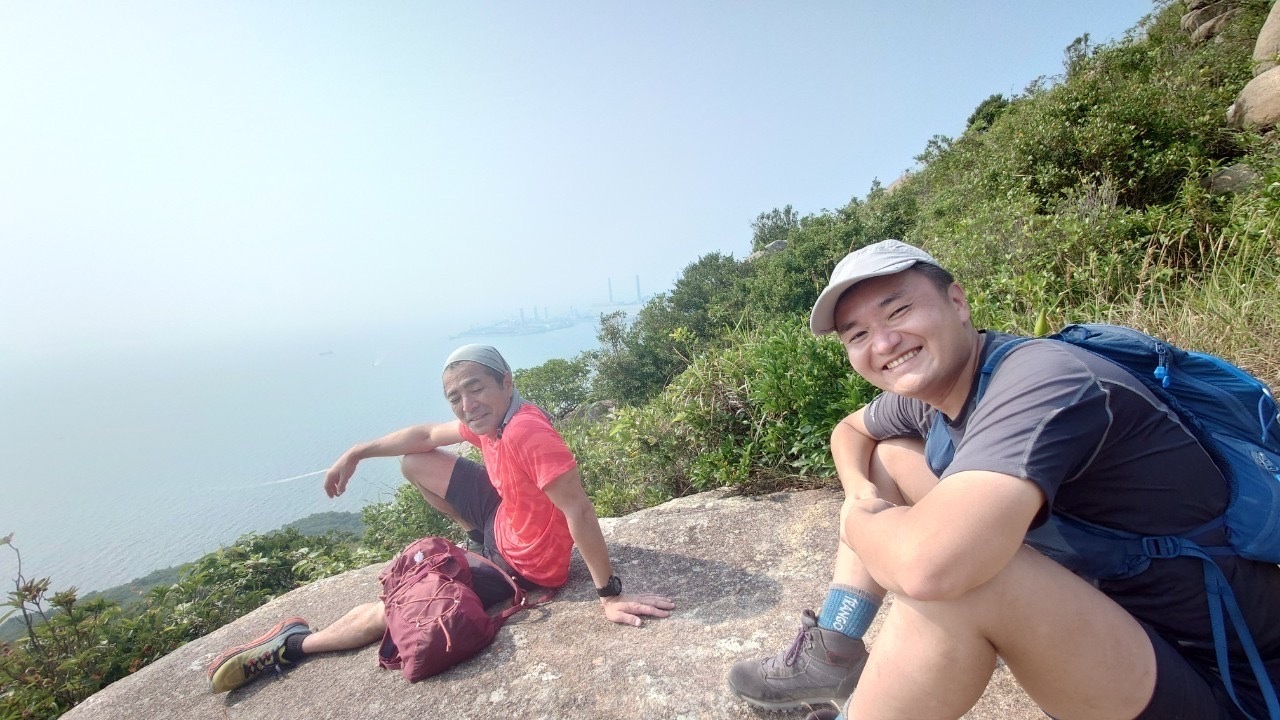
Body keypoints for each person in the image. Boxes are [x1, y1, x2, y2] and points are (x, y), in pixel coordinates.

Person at [727, 239, 1280, 720]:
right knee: (890, 456)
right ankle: (835, 644)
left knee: (965, 578)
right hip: (1131, 626)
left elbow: (931, 568)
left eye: (898, 311)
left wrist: (858, 522)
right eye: (858, 335)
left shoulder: (1042, 381)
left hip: (1228, 684)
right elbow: (850, 430)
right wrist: (861, 492)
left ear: (957, 301)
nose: (884, 343)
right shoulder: (941, 389)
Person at [208, 344, 675, 693]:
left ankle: (294, 645)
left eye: (476, 388)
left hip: (522, 563)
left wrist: (610, 595)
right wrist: (357, 452)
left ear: (506, 382)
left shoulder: (526, 433)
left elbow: (579, 509)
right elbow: (425, 435)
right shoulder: (493, 422)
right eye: (456, 397)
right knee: (415, 462)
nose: (467, 405)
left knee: (405, 606)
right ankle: (476, 539)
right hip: (502, 516)